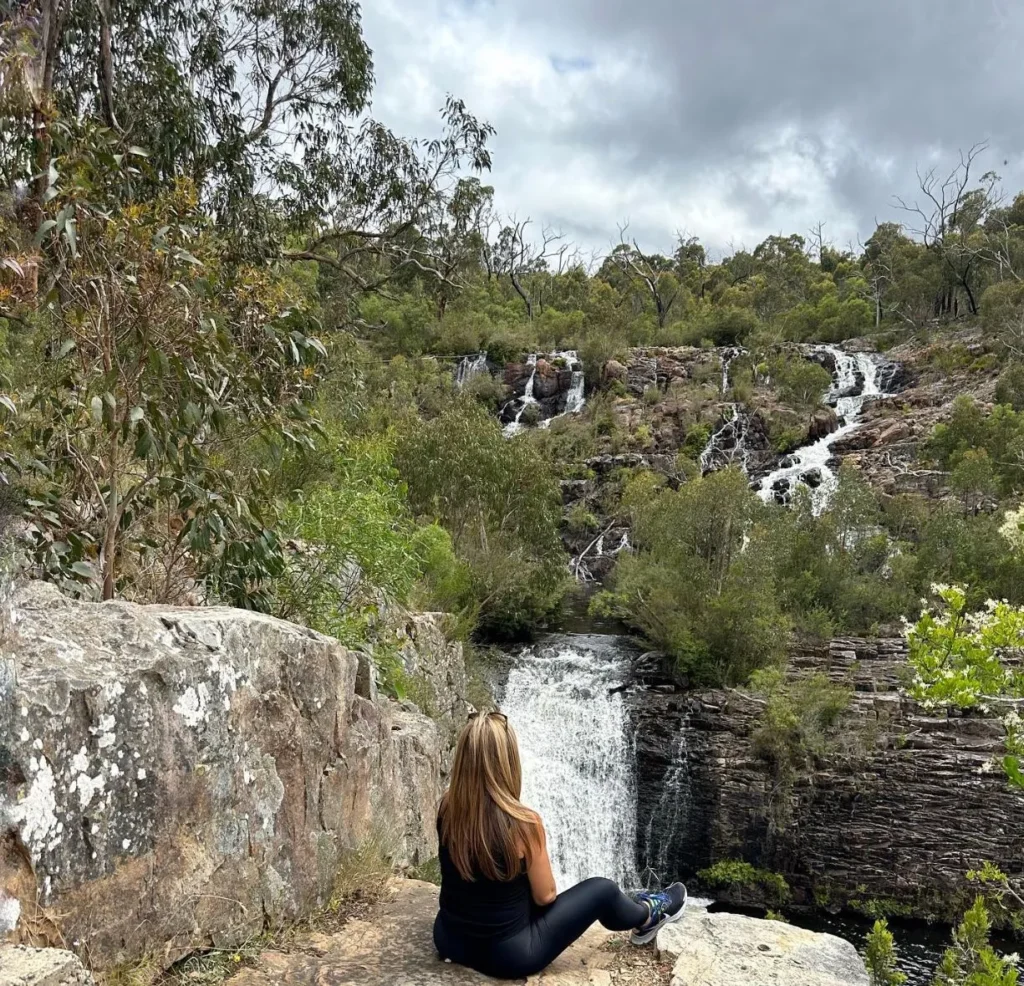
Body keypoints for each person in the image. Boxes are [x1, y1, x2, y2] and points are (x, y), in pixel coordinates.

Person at [432, 710, 687, 980]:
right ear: (508, 762)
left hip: (449, 940)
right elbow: (545, 896)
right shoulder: (524, 823)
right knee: (603, 890)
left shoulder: (448, 807)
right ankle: (646, 915)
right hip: (510, 956)